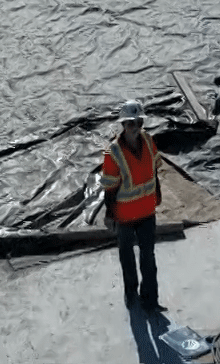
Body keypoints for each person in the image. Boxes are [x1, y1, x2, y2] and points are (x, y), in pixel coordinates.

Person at [99, 99, 163, 311]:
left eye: (139, 122)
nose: (135, 127)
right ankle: (131, 294)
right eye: (130, 123)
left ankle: (150, 300)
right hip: (125, 215)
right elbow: (109, 187)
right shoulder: (113, 153)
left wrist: (158, 193)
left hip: (146, 211)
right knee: (127, 257)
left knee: (148, 258)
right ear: (123, 125)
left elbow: (154, 169)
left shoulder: (148, 140)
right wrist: (109, 214)